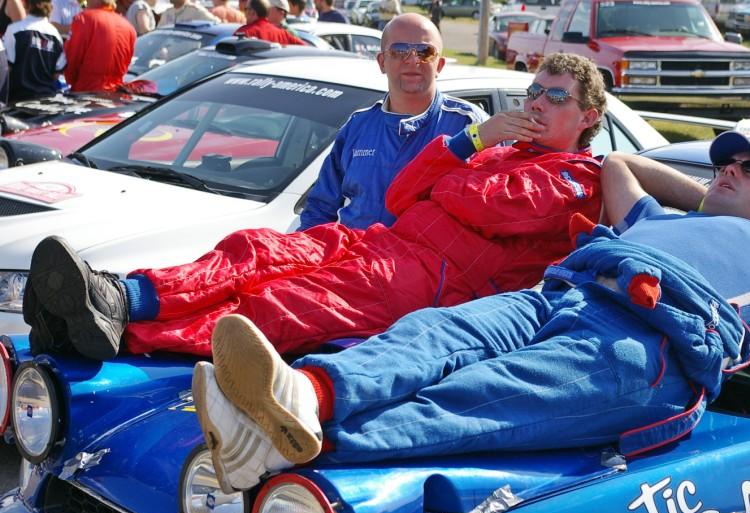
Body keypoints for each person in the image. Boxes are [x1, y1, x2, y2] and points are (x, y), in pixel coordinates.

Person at [191, 131, 750, 493]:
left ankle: (290, 451)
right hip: (559, 292)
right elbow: (619, 162)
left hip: (642, 344)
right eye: (723, 162)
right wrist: (709, 192)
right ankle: (304, 392)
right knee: (431, 331)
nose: (729, 168)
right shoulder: (653, 216)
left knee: (472, 400)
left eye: (749, 168)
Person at [24, 53, 606, 366]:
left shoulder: (580, 176)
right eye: (534, 91)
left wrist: (461, 163)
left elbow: (488, 211)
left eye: (556, 97)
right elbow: (404, 196)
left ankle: (122, 336)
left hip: (434, 283)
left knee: (280, 304)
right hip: (384, 241)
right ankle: (123, 297)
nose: (537, 103)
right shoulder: (492, 147)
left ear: (587, 118)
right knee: (255, 247)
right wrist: (469, 144)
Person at [300, 13, 488, 230]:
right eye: (399, 51)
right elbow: (320, 210)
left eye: (424, 52)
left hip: (431, 263)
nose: (412, 60)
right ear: (382, 62)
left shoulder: (470, 125)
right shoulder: (358, 126)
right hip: (356, 261)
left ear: (440, 65)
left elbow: (492, 212)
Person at [63, 0, 135, 92]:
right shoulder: (128, 27)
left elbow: (72, 59)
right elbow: (126, 64)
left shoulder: (84, 19)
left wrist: (72, 80)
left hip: (85, 92)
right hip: (115, 96)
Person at [3, 0, 66, 101]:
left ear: (26, 4)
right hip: (47, 102)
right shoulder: (56, 35)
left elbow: (6, 68)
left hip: (17, 102)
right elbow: (57, 72)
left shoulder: (14, 30)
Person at [234, 0, 305, 44]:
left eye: (246, 9)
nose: (245, 14)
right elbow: (308, 50)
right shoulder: (283, 34)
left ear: (252, 12)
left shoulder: (244, 33)